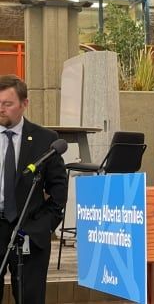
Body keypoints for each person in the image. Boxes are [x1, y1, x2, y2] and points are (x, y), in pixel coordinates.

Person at [0, 74, 67, 303]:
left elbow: (59, 187)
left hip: (29, 229)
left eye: (7, 104)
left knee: (30, 297)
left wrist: (45, 224)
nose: (1, 109)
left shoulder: (45, 139)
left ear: (24, 104)